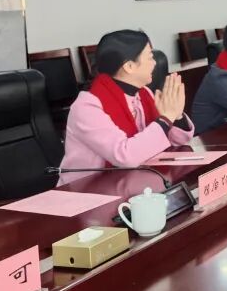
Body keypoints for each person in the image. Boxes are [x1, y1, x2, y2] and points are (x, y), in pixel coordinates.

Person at [61, 30, 194, 181]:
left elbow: (175, 141)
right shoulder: (87, 106)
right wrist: (165, 119)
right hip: (87, 188)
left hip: (132, 180)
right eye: (150, 57)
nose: (155, 63)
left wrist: (176, 115)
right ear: (129, 66)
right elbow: (124, 156)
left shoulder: (143, 94)